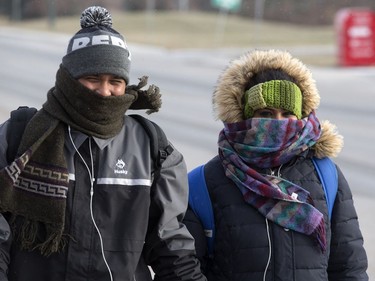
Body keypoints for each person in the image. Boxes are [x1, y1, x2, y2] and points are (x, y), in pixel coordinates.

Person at [0, 6, 206, 281]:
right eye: (92, 78)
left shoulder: (151, 147)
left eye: (115, 81)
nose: (104, 90)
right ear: (69, 79)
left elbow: (172, 248)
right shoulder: (21, 136)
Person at [183, 49, 368, 281]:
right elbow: (183, 270)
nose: (277, 123)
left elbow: (349, 268)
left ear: (301, 116)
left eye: (287, 113)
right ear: (244, 116)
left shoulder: (326, 177)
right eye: (265, 113)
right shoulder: (205, 183)